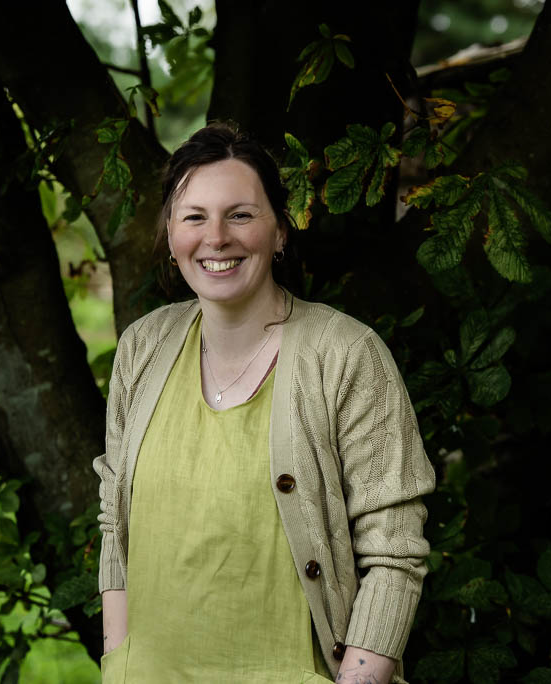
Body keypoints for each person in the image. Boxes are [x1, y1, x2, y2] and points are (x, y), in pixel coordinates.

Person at [92, 122, 435, 684]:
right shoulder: (142, 347)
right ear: (171, 234)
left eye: (241, 215)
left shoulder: (346, 355)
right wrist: (119, 658)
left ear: (279, 232)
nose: (217, 237)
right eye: (194, 216)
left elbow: (394, 552)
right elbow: (116, 521)